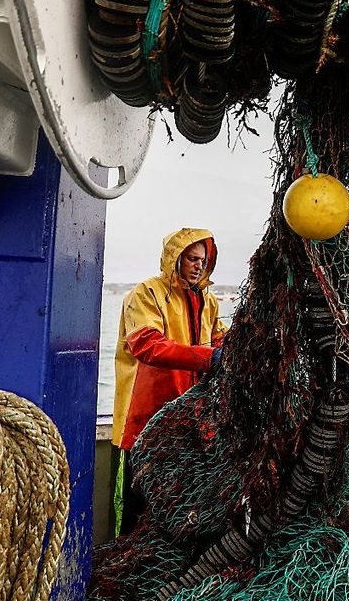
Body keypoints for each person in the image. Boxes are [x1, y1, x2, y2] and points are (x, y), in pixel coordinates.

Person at [111, 228, 228, 534]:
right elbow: (147, 345)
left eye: (203, 260)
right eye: (191, 258)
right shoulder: (145, 293)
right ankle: (128, 559)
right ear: (174, 258)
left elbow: (219, 338)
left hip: (188, 423)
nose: (198, 266)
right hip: (143, 423)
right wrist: (209, 358)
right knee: (136, 504)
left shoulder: (208, 301)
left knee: (176, 505)